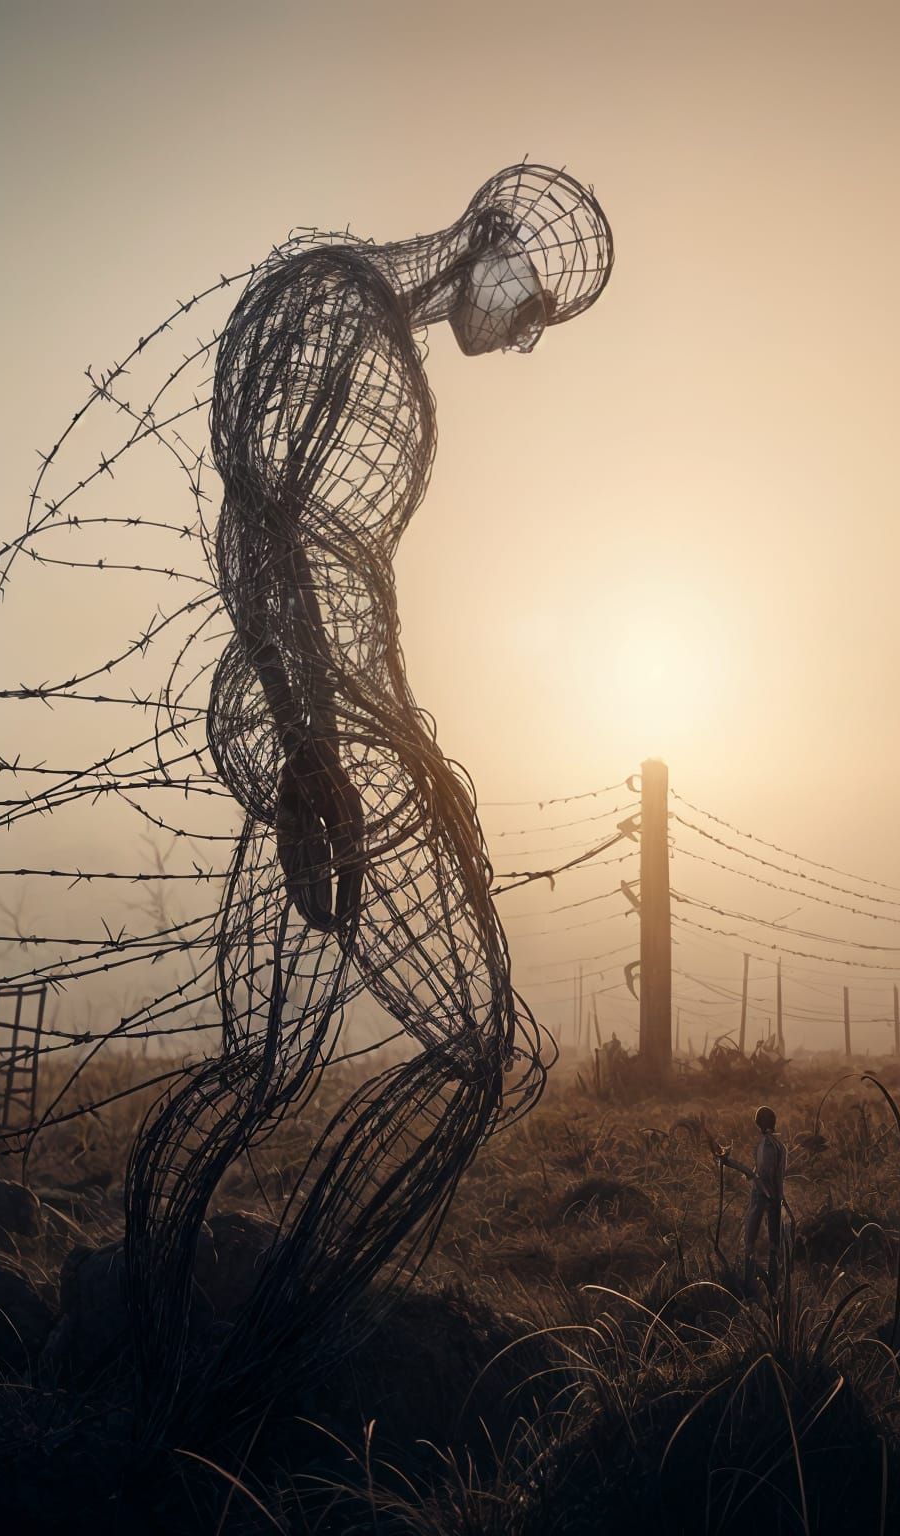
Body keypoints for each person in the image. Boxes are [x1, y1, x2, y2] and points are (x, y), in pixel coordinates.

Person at [125, 166, 615, 1435]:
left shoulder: (371, 326)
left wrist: (402, 760)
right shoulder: (338, 308)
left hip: (352, 734)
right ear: (497, 246)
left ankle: (177, 1339)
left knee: (272, 1063)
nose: (521, 339)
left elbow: (330, 569)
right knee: (470, 1052)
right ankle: (252, 1362)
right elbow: (273, 533)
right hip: (332, 745)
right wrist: (313, 755)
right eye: (533, 309)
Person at [718, 1105, 787, 1296]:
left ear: (758, 1124)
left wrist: (733, 1165)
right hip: (777, 1198)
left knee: (749, 1243)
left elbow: (762, 1176)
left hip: (762, 1197)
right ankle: (773, 1287)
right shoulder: (780, 1145)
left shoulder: (765, 1145)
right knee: (775, 1245)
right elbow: (776, 1176)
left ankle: (748, 1287)